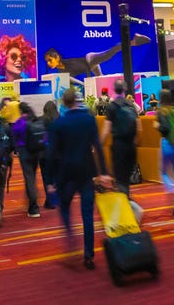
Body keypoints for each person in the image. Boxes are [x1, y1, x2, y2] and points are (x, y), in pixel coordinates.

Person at [47, 87, 109, 269]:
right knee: (87, 214)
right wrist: (104, 172)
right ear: (76, 100)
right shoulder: (89, 120)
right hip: (86, 172)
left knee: (64, 207)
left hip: (66, 173)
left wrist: (49, 180)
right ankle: (89, 255)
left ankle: (71, 236)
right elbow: (98, 147)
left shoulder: (59, 123)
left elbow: (51, 153)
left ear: (64, 103)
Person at [101, 80, 142, 199]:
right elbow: (139, 128)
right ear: (125, 89)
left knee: (119, 178)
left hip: (119, 146)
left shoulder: (112, 106)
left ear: (114, 89)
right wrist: (137, 143)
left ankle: (124, 201)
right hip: (131, 146)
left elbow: (106, 130)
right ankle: (126, 197)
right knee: (127, 178)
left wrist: (99, 145)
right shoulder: (131, 105)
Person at [13, 102, 48, 217]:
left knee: (29, 179)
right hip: (36, 151)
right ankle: (31, 202)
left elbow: (15, 136)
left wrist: (15, 150)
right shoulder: (35, 119)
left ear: (20, 110)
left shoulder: (19, 122)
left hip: (25, 152)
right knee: (32, 177)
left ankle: (34, 208)